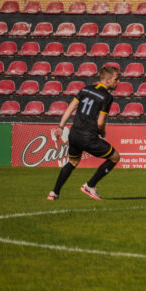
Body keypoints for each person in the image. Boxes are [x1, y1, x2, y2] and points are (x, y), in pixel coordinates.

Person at [47, 65, 121, 201]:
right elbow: (100, 122)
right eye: (116, 79)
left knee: (72, 162)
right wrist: (102, 132)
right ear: (107, 80)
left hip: (74, 134)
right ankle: (90, 185)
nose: (118, 81)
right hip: (88, 137)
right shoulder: (107, 97)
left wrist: (61, 127)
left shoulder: (86, 89)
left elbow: (70, 107)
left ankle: (54, 193)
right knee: (115, 157)